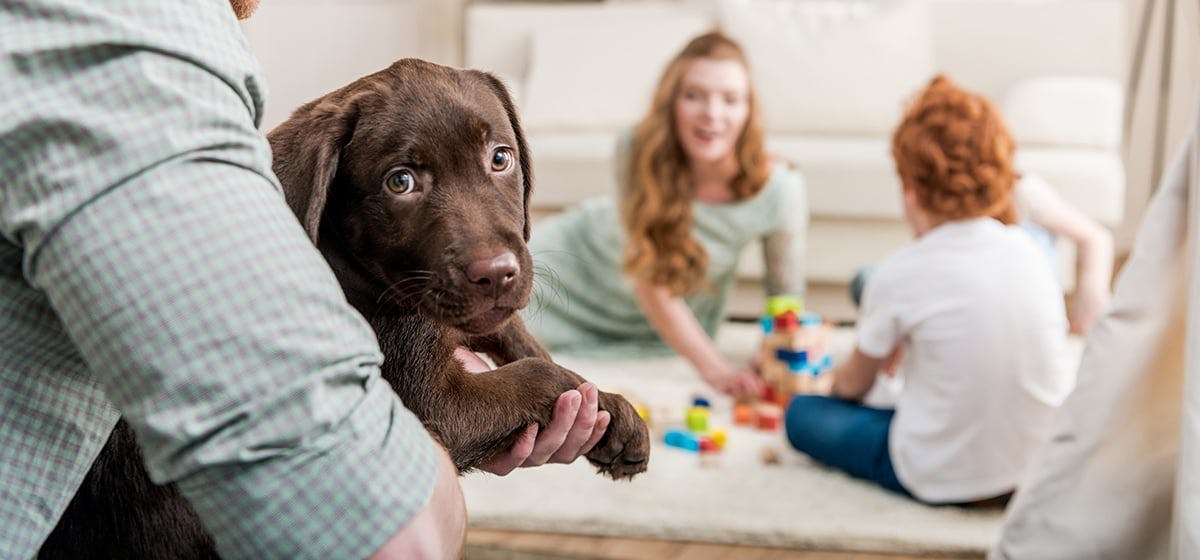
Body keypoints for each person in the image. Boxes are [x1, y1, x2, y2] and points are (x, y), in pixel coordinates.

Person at [0, 1, 604, 558]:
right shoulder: (130, 41)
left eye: (501, 159)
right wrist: (439, 441)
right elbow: (385, 526)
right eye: (402, 180)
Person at [785, 75, 1074, 505]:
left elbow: (853, 386)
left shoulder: (900, 272)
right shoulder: (1032, 250)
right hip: (1034, 471)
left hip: (938, 476)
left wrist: (823, 385)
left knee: (802, 416)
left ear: (912, 192)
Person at [524, 32, 808, 398]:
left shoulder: (780, 189)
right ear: (672, 101)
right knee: (486, 313)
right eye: (694, 95)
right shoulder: (635, 147)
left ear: (749, 110)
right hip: (581, 260)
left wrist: (771, 351)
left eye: (731, 100)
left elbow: (785, 296)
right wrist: (718, 371)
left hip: (659, 317)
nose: (712, 114)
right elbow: (650, 277)